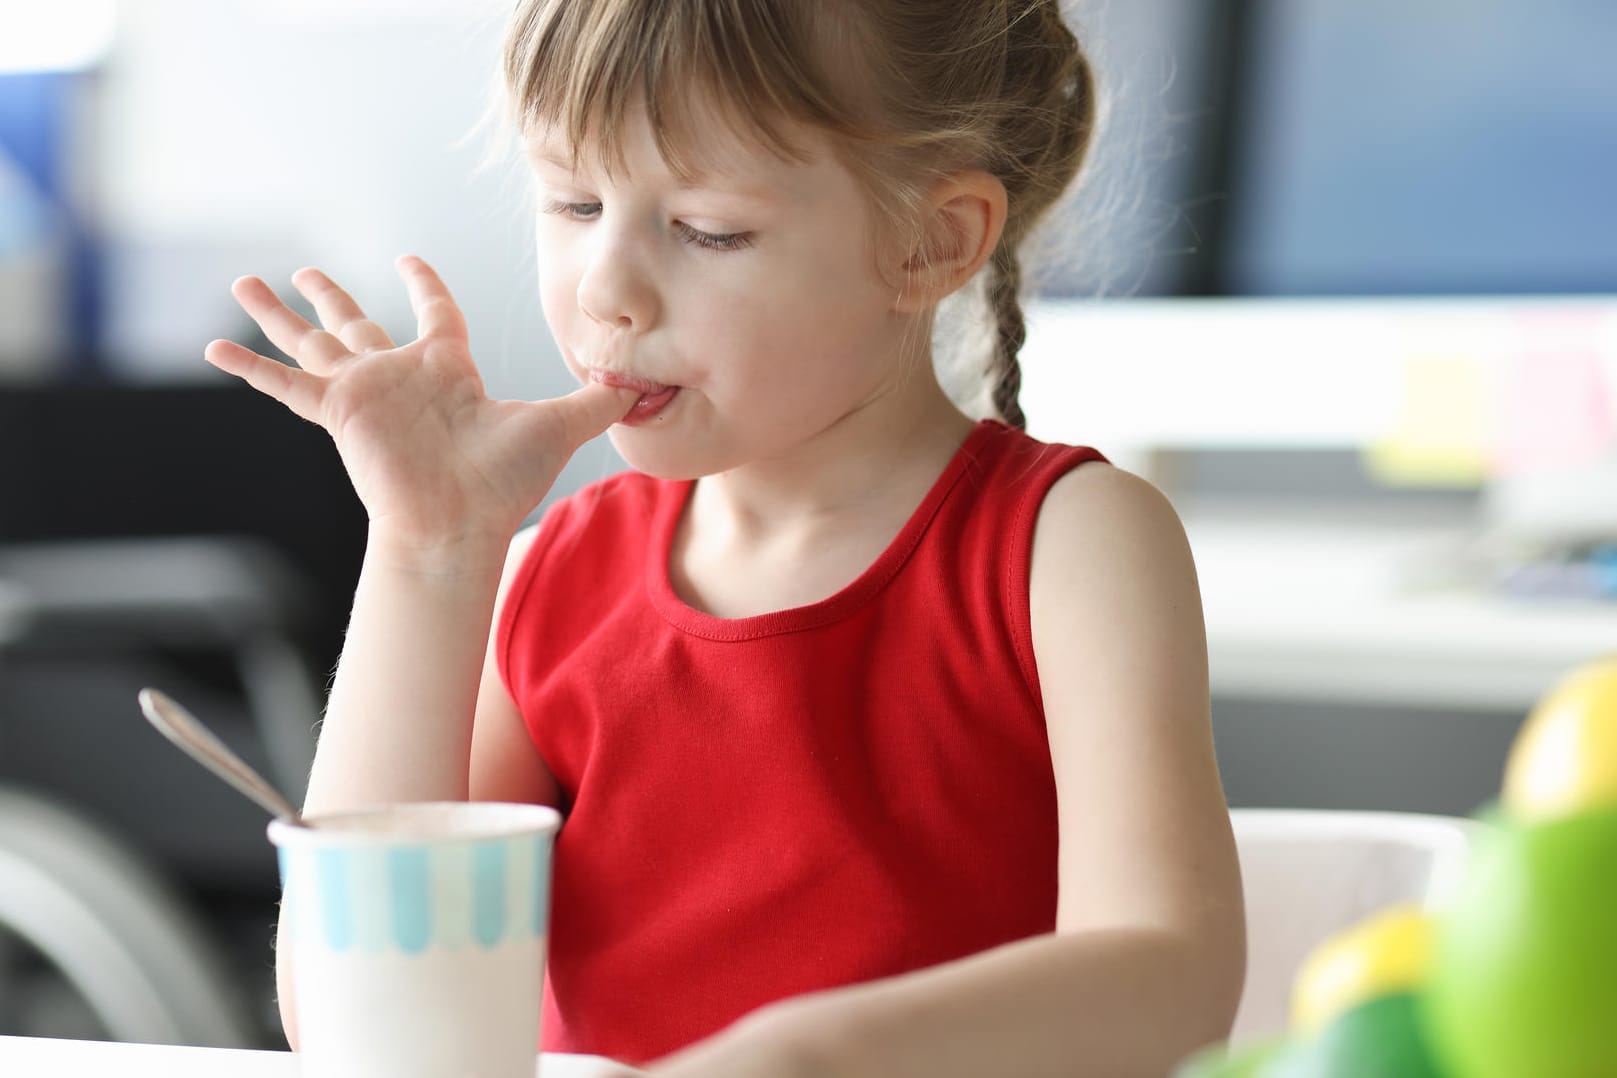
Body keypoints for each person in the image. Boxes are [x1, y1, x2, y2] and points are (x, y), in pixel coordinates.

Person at [206, 1, 1246, 1074]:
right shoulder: (545, 579)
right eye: (573, 200)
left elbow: (1172, 980)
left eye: (708, 229)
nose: (605, 289)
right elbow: (352, 1016)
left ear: (929, 244)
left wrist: (807, 1059)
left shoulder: (1068, 551)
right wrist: (427, 554)